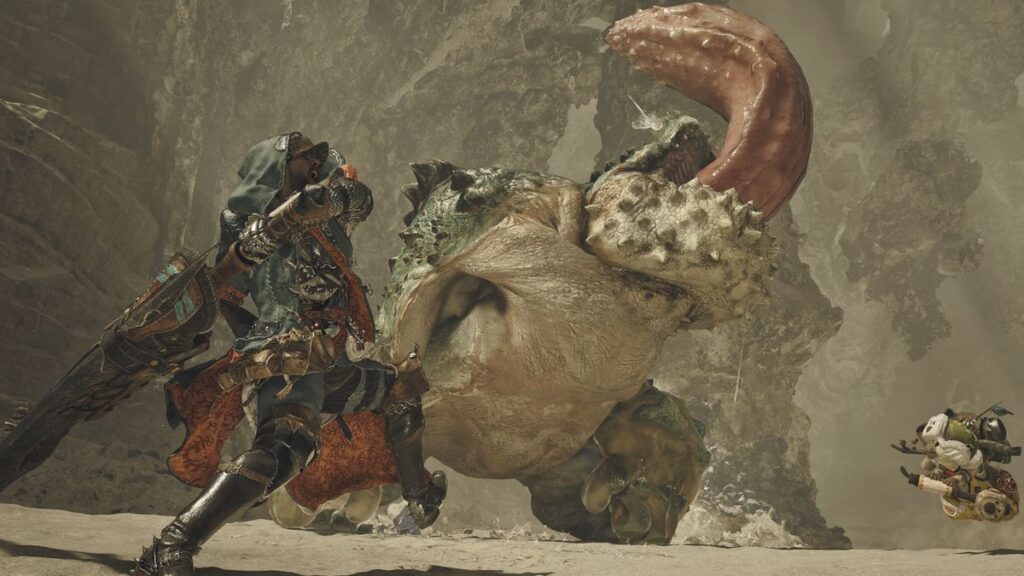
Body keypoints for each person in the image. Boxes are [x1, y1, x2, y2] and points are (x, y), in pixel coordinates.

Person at [133, 132, 445, 576]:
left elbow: (358, 199)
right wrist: (262, 342)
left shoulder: (332, 213)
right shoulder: (242, 222)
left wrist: (313, 205)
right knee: (283, 448)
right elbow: (226, 293)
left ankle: (419, 498)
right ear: (277, 164)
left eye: (318, 156)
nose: (315, 161)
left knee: (402, 390)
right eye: (303, 156)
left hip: (331, 361)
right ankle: (171, 545)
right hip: (289, 356)